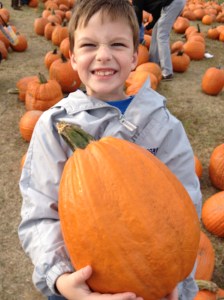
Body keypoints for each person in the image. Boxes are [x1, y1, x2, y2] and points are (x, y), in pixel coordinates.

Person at [18, 0, 201, 299]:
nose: (103, 55)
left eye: (116, 44)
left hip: (161, 282)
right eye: (89, 45)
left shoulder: (164, 125)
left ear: (134, 56)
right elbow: (40, 216)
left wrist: (177, 285)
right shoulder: (54, 127)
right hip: (86, 286)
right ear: (73, 58)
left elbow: (185, 208)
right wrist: (62, 279)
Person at [132, 0, 186, 81]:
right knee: (157, 30)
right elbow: (157, 16)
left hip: (172, 3)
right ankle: (153, 62)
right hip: (174, 3)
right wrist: (148, 27)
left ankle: (167, 73)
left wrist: (139, 40)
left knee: (162, 35)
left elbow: (137, 17)